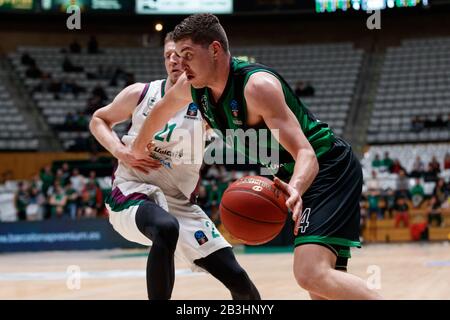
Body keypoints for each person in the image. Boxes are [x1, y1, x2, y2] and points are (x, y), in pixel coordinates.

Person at [131, 14, 381, 300]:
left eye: (188, 55)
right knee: (321, 287)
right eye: (177, 56)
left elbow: (305, 153)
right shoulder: (192, 88)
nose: (180, 64)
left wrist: (297, 189)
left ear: (214, 50)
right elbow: (160, 111)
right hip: (294, 177)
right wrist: (135, 148)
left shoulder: (257, 87)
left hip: (327, 168)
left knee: (310, 274)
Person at [89, 32, 260, 300]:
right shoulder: (141, 93)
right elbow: (98, 119)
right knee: (165, 227)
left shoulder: (207, 104)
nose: (173, 61)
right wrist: (121, 151)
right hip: (132, 192)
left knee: (239, 282)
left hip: (180, 203)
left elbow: (247, 134)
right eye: (168, 56)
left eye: (180, 55)